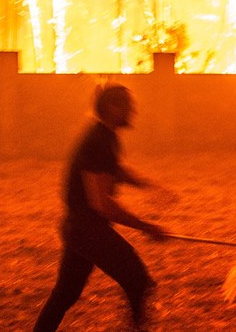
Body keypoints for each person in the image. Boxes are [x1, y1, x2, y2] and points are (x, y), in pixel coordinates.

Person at [33, 83, 170, 332]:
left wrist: (149, 185)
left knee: (66, 293)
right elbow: (102, 205)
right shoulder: (99, 141)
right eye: (129, 107)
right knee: (138, 282)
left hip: (79, 228)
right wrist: (146, 227)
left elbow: (114, 169)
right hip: (88, 230)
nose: (134, 112)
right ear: (111, 108)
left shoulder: (104, 136)